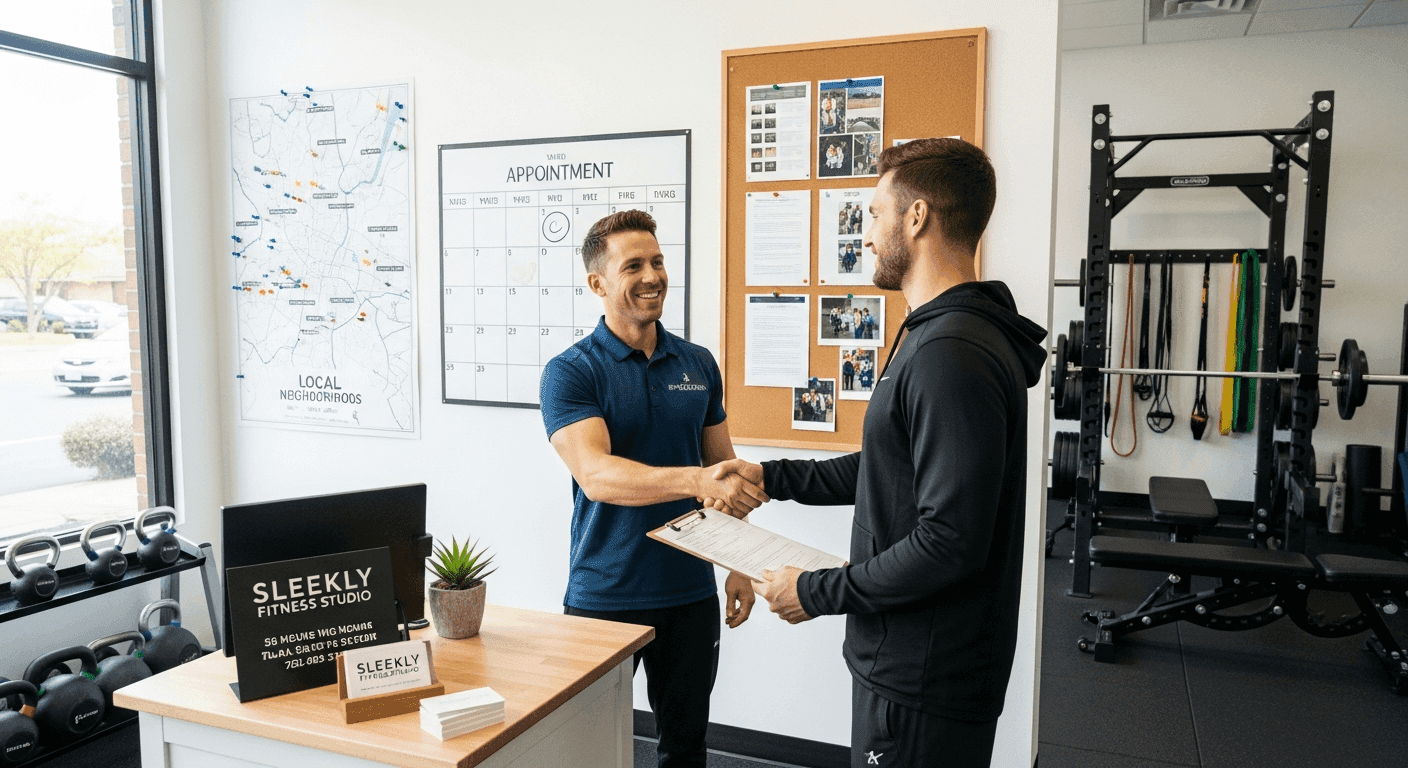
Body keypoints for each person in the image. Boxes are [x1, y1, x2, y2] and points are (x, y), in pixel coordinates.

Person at [706, 138, 1046, 767]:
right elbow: (889, 469)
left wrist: (817, 591)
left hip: (923, 674)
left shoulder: (952, 354)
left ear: (916, 218)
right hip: (912, 664)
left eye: (873, 213)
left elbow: (949, 541)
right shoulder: (937, 334)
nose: (865, 235)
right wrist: (770, 474)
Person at [539, 210, 766, 768]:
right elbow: (597, 476)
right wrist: (693, 480)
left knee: (685, 748)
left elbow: (725, 471)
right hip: (604, 595)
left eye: (658, 261)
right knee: (588, 750)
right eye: (633, 265)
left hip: (689, 592)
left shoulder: (697, 363)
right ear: (597, 283)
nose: (652, 275)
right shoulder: (571, 372)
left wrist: (741, 563)